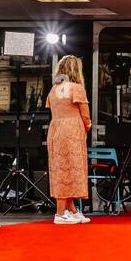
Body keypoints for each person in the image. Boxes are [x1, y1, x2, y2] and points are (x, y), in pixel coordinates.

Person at [45, 55, 91, 225]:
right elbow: (85, 114)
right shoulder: (76, 88)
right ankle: (60, 213)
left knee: (61, 168)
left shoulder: (53, 90)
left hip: (55, 129)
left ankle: (72, 210)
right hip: (72, 129)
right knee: (71, 168)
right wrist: (87, 125)